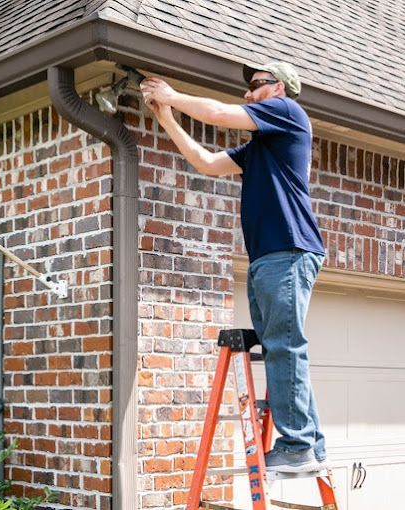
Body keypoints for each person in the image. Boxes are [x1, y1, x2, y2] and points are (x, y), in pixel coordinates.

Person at [140, 62, 327, 473]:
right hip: (267, 257)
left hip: (288, 250)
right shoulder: (260, 149)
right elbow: (205, 162)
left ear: (278, 89)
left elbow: (219, 113)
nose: (248, 94)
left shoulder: (288, 113)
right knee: (282, 344)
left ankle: (296, 446)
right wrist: (166, 117)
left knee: (284, 345)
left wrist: (172, 95)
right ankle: (311, 444)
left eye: (255, 86)